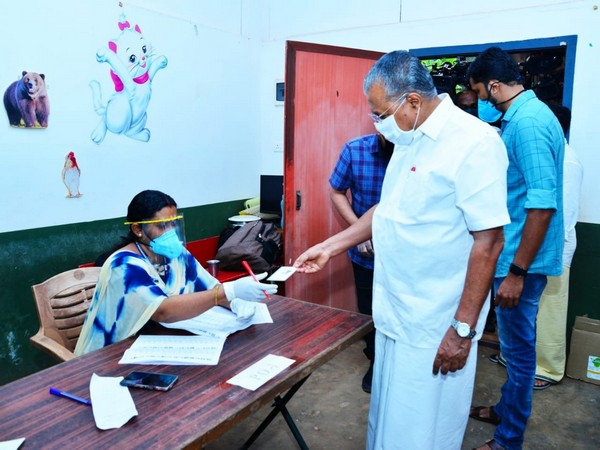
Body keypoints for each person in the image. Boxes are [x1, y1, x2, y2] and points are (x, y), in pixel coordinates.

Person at [294, 50, 510, 450]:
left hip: (435, 323)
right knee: (390, 421)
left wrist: (462, 330)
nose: (377, 123)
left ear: (412, 100)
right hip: (396, 312)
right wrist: (330, 246)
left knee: (423, 427)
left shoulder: (474, 143)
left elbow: (489, 240)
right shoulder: (410, 140)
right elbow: (385, 208)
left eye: (380, 113)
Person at [467, 47, 564, 450]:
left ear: (494, 85)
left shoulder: (528, 123)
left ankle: (508, 441)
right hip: (515, 256)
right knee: (512, 348)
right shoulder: (523, 117)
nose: (481, 103)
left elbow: (542, 204)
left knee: (519, 354)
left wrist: (516, 273)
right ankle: (506, 411)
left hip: (521, 263)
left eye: (481, 95)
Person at [74, 190, 277, 355]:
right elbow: (163, 310)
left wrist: (236, 302)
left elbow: (210, 287)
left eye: (173, 223)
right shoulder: (123, 266)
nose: (170, 231)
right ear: (137, 229)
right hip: (111, 354)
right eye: (162, 226)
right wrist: (226, 292)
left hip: (156, 342)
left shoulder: (176, 254)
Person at [488, 105, 583, 390]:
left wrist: (529, 263)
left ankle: (547, 370)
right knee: (527, 320)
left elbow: (555, 213)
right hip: (537, 248)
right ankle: (521, 366)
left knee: (550, 314)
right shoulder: (554, 155)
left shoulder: (566, 161)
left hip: (552, 248)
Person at [329, 132, 393, 393]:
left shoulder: (418, 149)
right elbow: (336, 191)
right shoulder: (355, 150)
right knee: (369, 311)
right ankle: (375, 361)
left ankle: (396, 366)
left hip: (407, 255)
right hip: (367, 255)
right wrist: (359, 231)